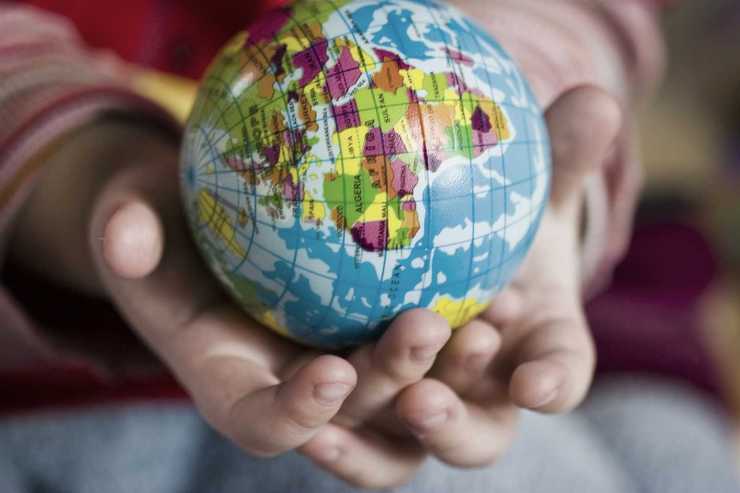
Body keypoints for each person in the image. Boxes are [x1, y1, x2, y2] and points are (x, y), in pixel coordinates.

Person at [1, 0, 738, 491]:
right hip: (55, 392)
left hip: (486, 336)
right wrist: (75, 172)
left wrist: (513, 103)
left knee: (677, 453)